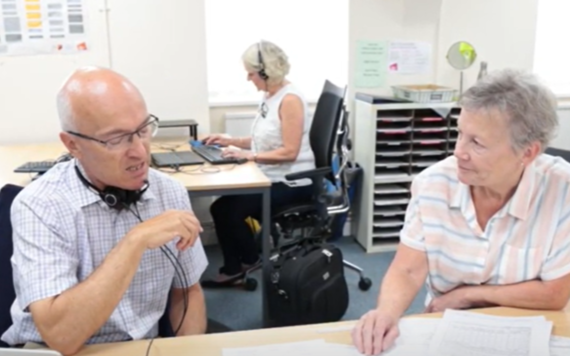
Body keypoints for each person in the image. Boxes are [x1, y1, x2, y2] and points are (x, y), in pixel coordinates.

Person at [352, 69, 570, 355]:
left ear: (527, 153)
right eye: (460, 134)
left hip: (531, 326)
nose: (458, 152)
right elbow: (407, 269)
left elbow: (555, 293)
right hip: (449, 325)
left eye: (476, 143)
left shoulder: (562, 191)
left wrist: (468, 296)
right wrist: (386, 313)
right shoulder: (433, 184)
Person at [1, 67, 209, 355]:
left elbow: (188, 292)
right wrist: (134, 242)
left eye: (143, 130)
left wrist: (188, 351)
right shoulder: (38, 205)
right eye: (116, 139)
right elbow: (62, 337)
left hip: (142, 348)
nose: (139, 151)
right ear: (73, 144)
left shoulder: (170, 192)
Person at [200, 40, 315, 287]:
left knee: (226, 210)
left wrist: (250, 157)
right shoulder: (270, 96)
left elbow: (290, 151)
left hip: (293, 181)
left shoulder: (290, 99)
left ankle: (244, 263)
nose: (248, 78)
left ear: (266, 72)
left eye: (251, 73)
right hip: (271, 174)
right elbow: (266, 140)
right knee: (222, 208)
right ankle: (241, 263)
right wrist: (230, 141)